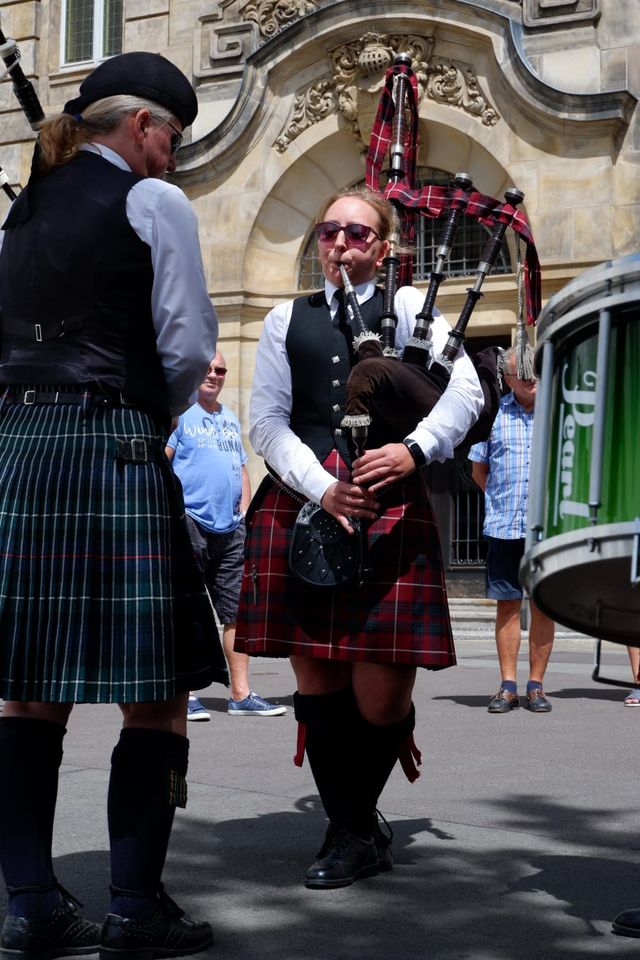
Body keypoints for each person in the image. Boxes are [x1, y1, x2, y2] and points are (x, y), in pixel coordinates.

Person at [0, 52, 228, 960]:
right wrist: (144, 409)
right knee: (156, 694)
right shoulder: (155, 204)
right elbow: (186, 343)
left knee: (27, 695)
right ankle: (135, 910)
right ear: (139, 127)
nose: (172, 158)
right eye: (171, 139)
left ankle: (29, 907)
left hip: (18, 449)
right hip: (114, 442)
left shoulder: (18, 214)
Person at [234, 185, 484, 889]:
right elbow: (267, 421)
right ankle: (350, 830)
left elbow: (466, 392)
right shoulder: (288, 317)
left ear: (383, 246)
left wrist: (416, 450)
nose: (340, 244)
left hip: (390, 505)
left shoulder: (412, 309)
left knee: (378, 697)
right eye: (328, 231)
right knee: (316, 676)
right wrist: (319, 485)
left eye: (356, 232)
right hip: (305, 499)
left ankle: (356, 819)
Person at [165, 352, 287, 720]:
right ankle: (183, 695)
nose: (215, 375)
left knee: (236, 613)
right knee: (185, 610)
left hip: (230, 529)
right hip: (190, 523)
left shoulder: (230, 419)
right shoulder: (180, 414)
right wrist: (174, 514)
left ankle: (240, 694)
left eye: (220, 370)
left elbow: (241, 467)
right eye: (208, 369)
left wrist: (243, 515)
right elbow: (162, 461)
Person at [468, 346, 555, 714]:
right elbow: (478, 471)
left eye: (537, 370)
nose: (532, 377)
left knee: (543, 606)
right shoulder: (491, 415)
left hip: (547, 529)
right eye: (524, 372)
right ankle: (508, 686)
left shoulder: (559, 414)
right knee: (507, 604)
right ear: (507, 379)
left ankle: (536, 686)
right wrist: (504, 501)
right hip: (504, 526)